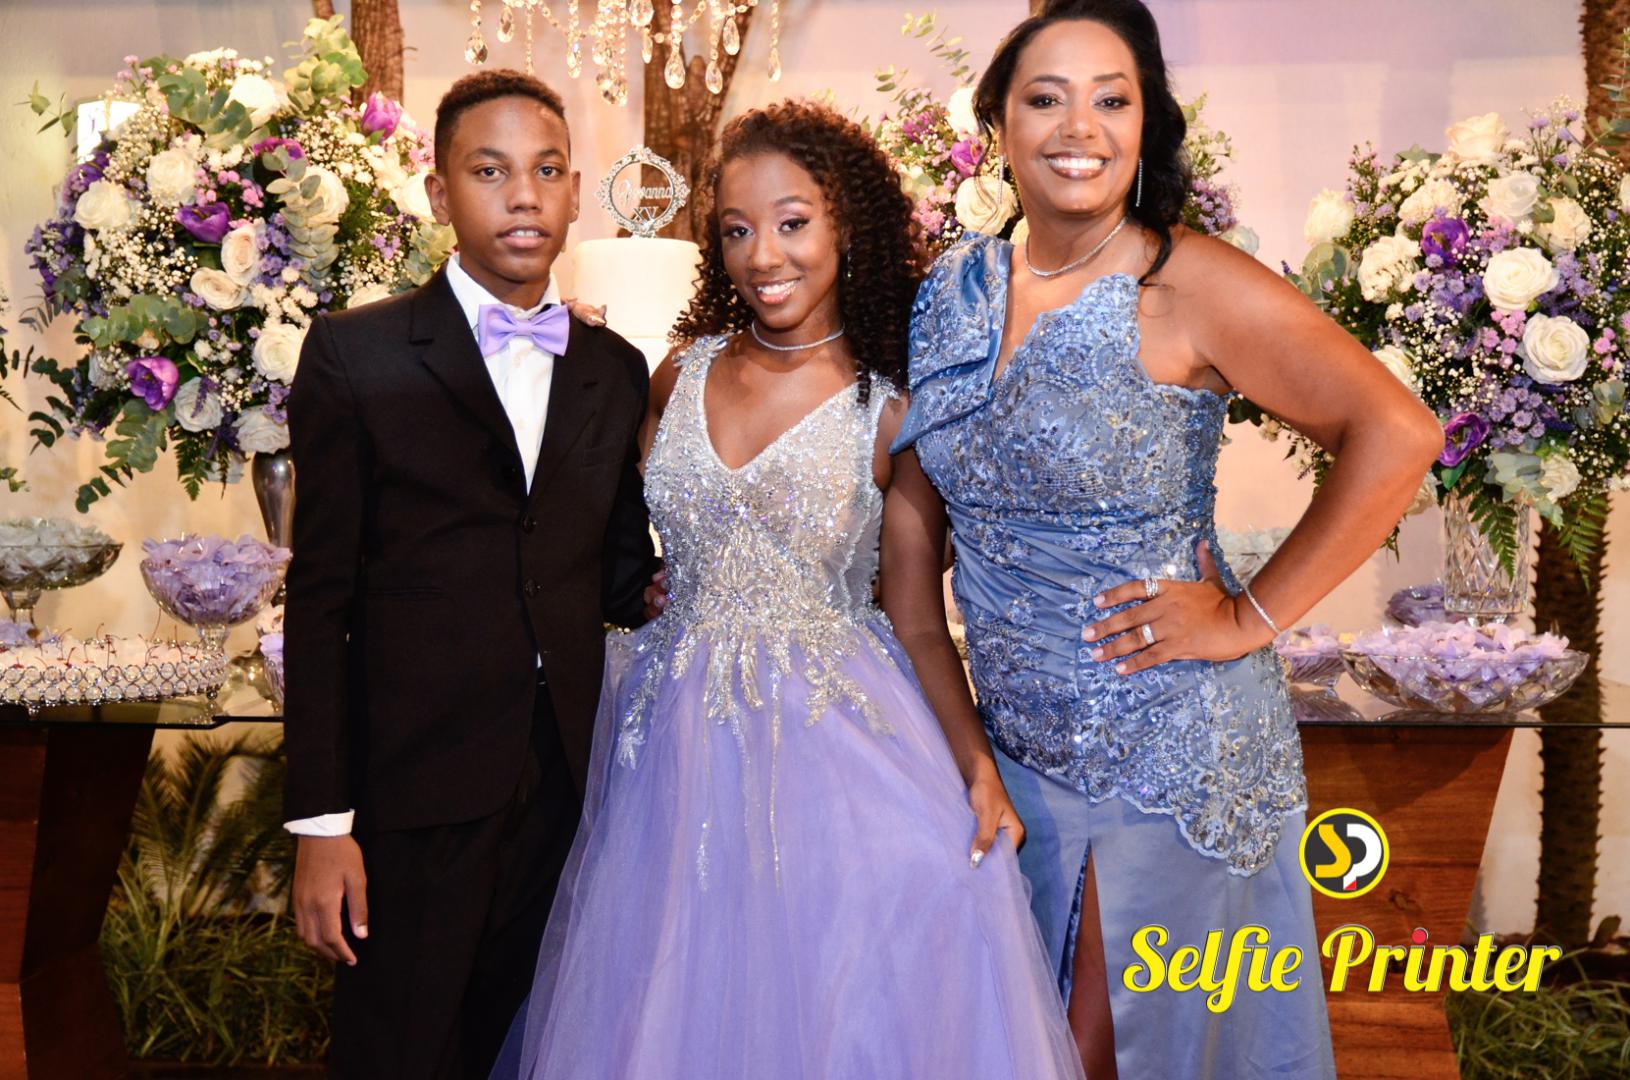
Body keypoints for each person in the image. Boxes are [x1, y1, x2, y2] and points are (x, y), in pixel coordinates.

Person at [890, 2, 1444, 1077]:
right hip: (1008, 753)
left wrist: (1246, 617)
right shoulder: (951, 290)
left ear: (1146, 124)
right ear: (998, 125)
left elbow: (1397, 432)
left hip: (1165, 749)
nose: (1078, 128)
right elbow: (909, 498)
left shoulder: (1185, 284)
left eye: (1112, 99)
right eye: (1045, 99)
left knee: (1101, 1051)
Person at [494, 100, 1084, 1080]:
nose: (763, 254)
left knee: (847, 989)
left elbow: (916, 621)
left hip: (836, 742)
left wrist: (975, 766)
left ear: (847, 227)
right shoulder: (674, 374)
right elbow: (592, 533)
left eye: (792, 222)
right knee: (671, 1000)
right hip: (669, 752)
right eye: (736, 230)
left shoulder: (888, 409)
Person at [282, 69, 659, 1078]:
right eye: (490, 172)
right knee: (398, 1051)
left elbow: (619, 574)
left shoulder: (613, 370)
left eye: (547, 171)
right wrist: (321, 824)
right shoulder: (357, 356)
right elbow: (319, 600)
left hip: (566, 788)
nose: (524, 196)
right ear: (439, 191)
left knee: (531, 1047)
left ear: (575, 192)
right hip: (410, 791)